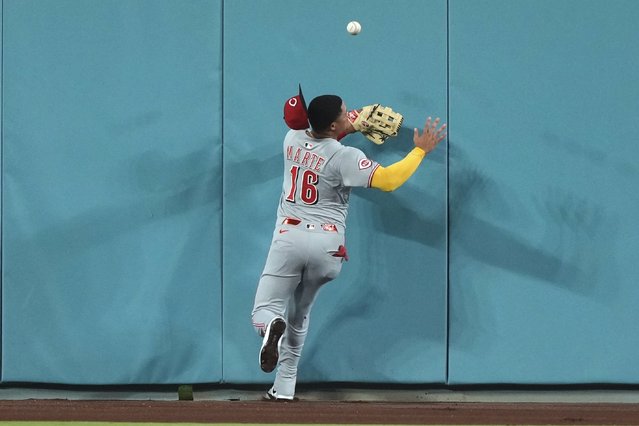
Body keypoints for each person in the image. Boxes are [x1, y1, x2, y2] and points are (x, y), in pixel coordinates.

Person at [251, 92, 447, 401]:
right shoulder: (346, 157)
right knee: (300, 314)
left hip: (290, 239)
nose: (350, 114)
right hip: (328, 248)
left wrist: (350, 124)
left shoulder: (291, 140)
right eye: (345, 113)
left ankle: (269, 328)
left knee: (265, 311)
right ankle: (284, 387)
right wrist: (420, 151)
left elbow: (324, 133)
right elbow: (389, 180)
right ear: (332, 125)